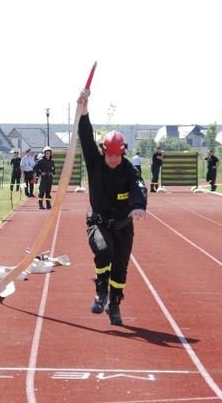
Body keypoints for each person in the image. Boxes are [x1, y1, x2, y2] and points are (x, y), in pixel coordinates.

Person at [77, 89, 147, 326]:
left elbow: (139, 186)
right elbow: (85, 136)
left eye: (119, 155)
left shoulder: (129, 169)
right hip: (97, 222)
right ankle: (100, 291)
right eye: (111, 155)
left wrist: (138, 205)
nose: (114, 160)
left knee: (120, 268)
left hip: (123, 226)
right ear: (104, 151)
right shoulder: (95, 162)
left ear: (123, 152)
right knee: (104, 251)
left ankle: (114, 303)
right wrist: (84, 111)